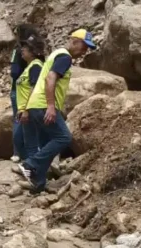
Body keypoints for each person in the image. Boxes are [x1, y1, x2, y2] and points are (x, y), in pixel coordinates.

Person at [20, 29, 97, 194]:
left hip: (35, 105)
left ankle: (38, 184)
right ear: (74, 41)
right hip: (42, 105)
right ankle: (30, 164)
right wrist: (50, 106)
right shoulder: (65, 57)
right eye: (84, 47)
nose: (84, 52)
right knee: (64, 137)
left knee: (48, 143)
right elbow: (50, 78)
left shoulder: (57, 54)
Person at [10, 24, 40, 162]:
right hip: (35, 94)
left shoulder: (18, 51)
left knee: (19, 121)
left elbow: (14, 72)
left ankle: (19, 154)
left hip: (20, 91)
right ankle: (33, 156)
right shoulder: (38, 51)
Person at [14, 36, 46, 163]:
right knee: (23, 141)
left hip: (32, 110)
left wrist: (26, 110)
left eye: (26, 48)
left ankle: (35, 171)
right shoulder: (30, 66)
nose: (22, 50)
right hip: (26, 110)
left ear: (33, 52)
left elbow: (35, 89)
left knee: (31, 144)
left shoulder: (36, 67)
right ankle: (32, 168)